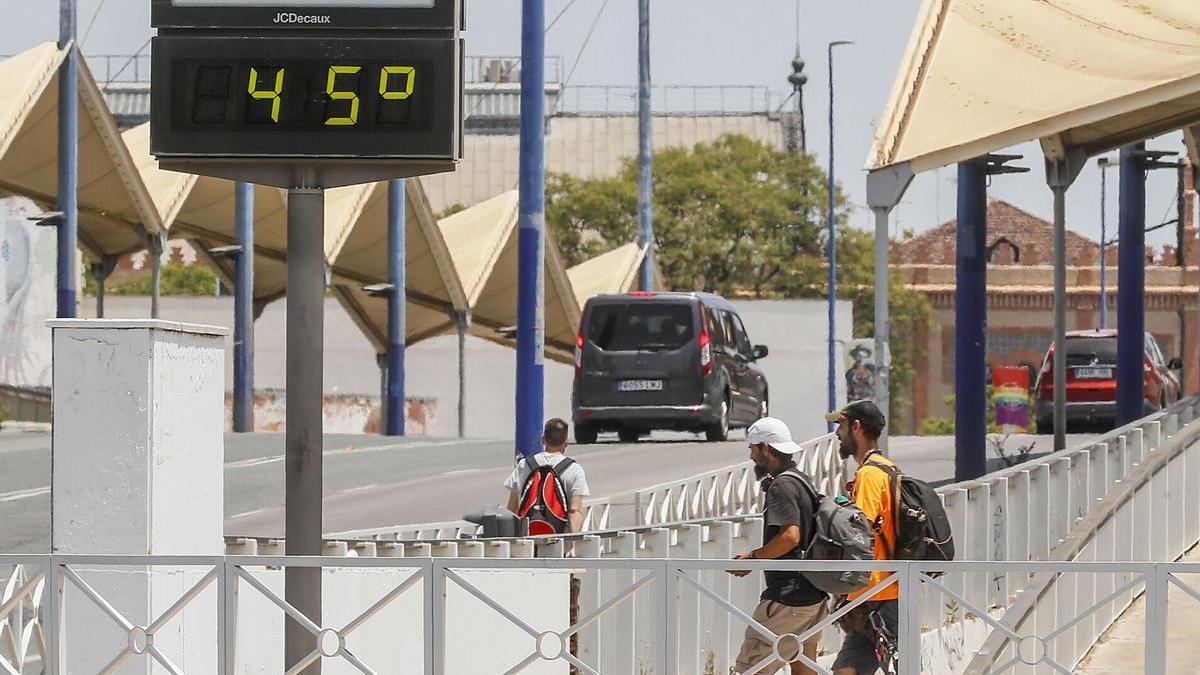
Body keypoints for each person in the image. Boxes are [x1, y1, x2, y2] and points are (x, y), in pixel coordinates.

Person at [730, 417, 828, 675]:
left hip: (788, 599)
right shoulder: (800, 480)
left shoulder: (781, 486)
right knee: (804, 670)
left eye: (753, 448)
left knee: (750, 668)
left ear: (765, 448)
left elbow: (790, 537)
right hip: (812, 596)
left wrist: (753, 557)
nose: (751, 456)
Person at [825, 400, 898, 675]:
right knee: (845, 671)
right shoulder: (885, 468)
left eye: (841, 426)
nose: (837, 434)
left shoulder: (869, 474)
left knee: (908, 666)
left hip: (883, 594)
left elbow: (859, 529)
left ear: (856, 427)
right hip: (868, 595)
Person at [504, 418, 590, 534]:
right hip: (558, 539)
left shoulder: (524, 464)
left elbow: (513, 508)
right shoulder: (574, 469)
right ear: (566, 442)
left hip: (527, 538)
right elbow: (574, 511)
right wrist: (573, 545)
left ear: (543, 440)